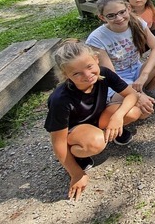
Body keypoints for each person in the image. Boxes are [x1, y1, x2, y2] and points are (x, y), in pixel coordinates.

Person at [44, 40, 142, 201]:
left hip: (98, 117)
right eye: (77, 73)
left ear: (96, 60)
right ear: (65, 74)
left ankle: (114, 132)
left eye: (89, 67)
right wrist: (76, 174)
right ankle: (79, 156)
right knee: (97, 142)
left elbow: (131, 94)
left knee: (133, 111)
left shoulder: (104, 73)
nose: (87, 75)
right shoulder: (60, 99)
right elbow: (58, 142)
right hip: (76, 131)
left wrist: (117, 118)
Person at [86, 0, 155, 111]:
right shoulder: (96, 38)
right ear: (102, 18)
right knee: (141, 111)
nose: (119, 18)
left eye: (122, 12)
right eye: (111, 16)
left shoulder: (137, 22)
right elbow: (111, 75)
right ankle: (133, 98)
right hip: (115, 82)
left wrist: (144, 75)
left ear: (128, 8)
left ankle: (148, 90)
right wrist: (137, 96)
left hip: (136, 70)